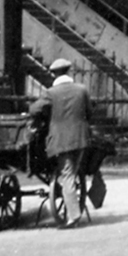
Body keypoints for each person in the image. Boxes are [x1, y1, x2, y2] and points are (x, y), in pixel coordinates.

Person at [30, 56, 94, 225]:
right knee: (72, 172)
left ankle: (74, 214)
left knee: (67, 174)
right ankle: (74, 204)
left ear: (54, 75)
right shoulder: (82, 90)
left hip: (60, 140)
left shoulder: (51, 93)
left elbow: (34, 109)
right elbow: (90, 113)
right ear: (68, 71)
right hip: (81, 138)